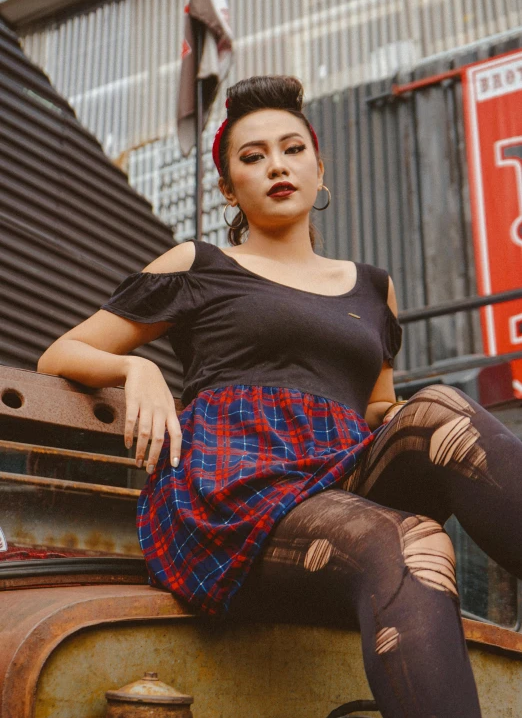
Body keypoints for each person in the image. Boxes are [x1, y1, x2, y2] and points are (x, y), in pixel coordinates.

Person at [38, 75, 522, 718]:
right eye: (252, 156)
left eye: (292, 149)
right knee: (410, 542)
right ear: (228, 186)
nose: (276, 166)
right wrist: (138, 372)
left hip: (342, 476)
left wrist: (438, 433)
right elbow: (60, 353)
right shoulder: (199, 263)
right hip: (237, 487)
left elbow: (379, 413)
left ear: (320, 167)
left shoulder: (372, 288)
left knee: (439, 408)